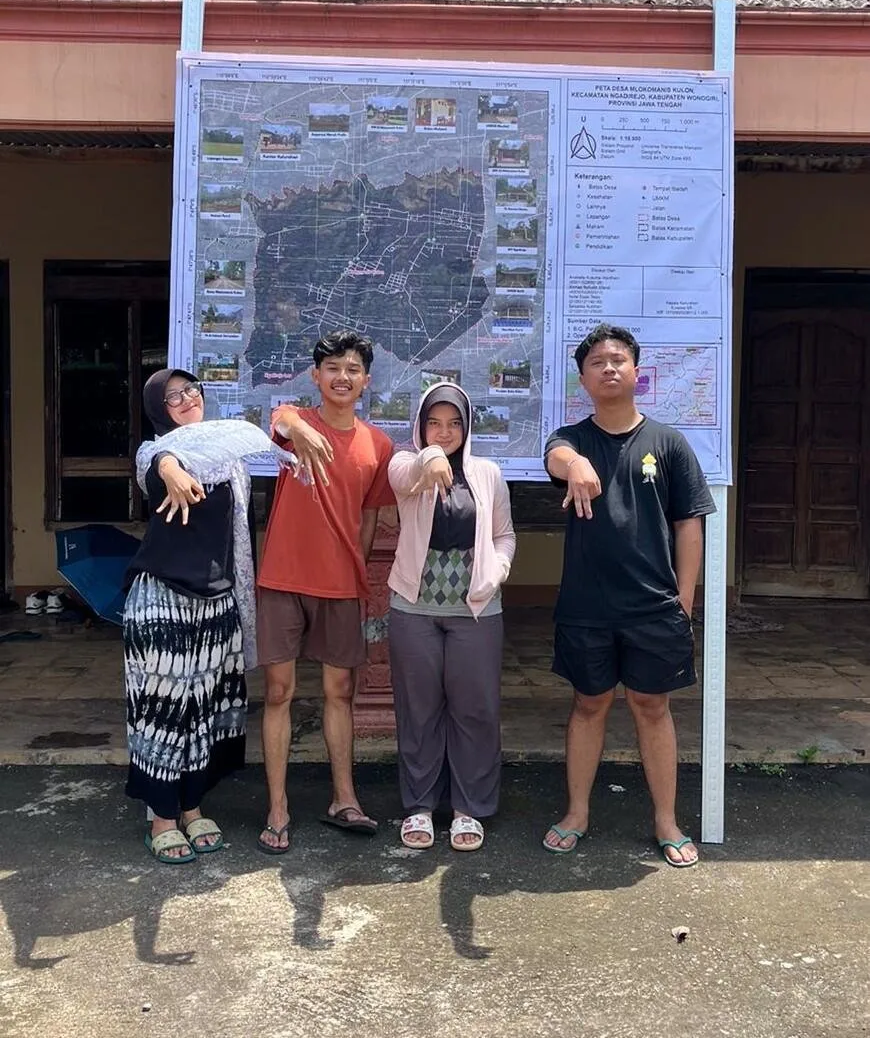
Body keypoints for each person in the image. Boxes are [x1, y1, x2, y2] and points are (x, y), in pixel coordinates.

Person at [542, 324, 715, 867]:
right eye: (597, 362)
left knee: (652, 707)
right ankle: (577, 813)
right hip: (586, 607)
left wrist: (684, 602)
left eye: (619, 359)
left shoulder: (667, 443)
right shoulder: (571, 437)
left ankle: (666, 819)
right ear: (583, 378)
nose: (609, 368)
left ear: (637, 373)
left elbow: (689, 526)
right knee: (588, 704)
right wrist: (576, 464)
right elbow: (555, 457)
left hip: (654, 607)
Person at [125, 369, 292, 863]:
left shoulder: (228, 460)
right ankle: (161, 816)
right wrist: (170, 463)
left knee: (205, 710)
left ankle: (193, 807)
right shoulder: (153, 454)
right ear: (157, 407)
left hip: (217, 601)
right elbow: (156, 461)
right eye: (172, 396)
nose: (185, 399)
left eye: (192, 390)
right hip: (163, 601)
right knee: (162, 711)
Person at [256, 330, 395, 853]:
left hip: (340, 584)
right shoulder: (295, 424)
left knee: (341, 693)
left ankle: (344, 797)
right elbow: (279, 419)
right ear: (316, 376)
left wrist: (352, 566)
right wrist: (296, 425)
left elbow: (369, 517)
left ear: (366, 380)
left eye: (353, 368)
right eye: (332, 367)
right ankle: (278, 806)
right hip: (283, 579)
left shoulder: (377, 444)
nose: (342, 376)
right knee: (278, 693)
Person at [387, 383, 516, 852]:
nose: (444, 432)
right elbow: (404, 475)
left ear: (468, 426)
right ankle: (419, 806)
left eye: (454, 423)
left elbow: (504, 534)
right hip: (413, 608)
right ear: (420, 427)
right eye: (434, 423)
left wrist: (498, 570)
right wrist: (430, 457)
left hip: (476, 609)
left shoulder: (487, 472)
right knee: (418, 710)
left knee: (475, 709)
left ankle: (469, 808)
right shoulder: (406, 464)